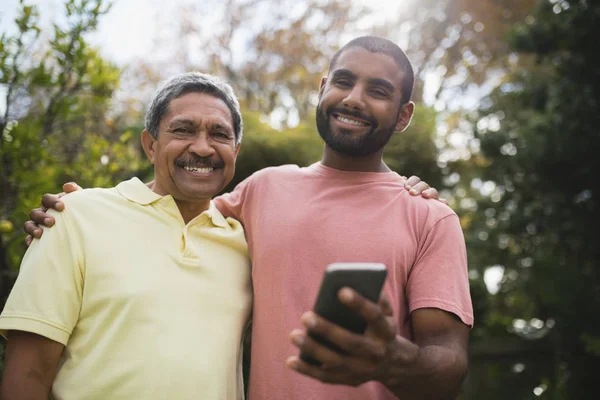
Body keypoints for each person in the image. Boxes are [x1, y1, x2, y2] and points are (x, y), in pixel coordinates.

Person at [23, 35, 472, 400]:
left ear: (403, 115)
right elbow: (171, 209)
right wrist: (81, 214)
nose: (354, 99)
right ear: (321, 88)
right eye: (344, 81)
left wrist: (390, 359)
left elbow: (448, 365)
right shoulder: (263, 189)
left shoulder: (429, 217)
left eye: (378, 91)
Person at [0, 73, 253, 400]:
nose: (203, 147)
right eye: (183, 130)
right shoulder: (75, 217)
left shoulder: (247, 245)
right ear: (151, 145)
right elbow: (29, 373)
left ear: (235, 150)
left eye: (219, 134)